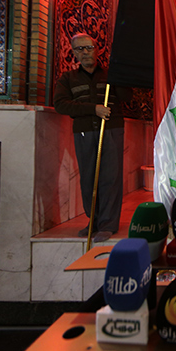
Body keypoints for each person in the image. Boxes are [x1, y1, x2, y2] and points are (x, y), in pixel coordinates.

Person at [54, 33, 132, 243]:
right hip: (84, 132)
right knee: (89, 179)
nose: (85, 52)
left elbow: (127, 97)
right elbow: (61, 104)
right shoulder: (67, 79)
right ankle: (94, 221)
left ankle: (108, 225)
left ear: (97, 50)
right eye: (80, 49)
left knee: (110, 178)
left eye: (89, 47)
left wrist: (119, 74)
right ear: (74, 53)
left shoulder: (110, 75)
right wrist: (93, 109)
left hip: (111, 130)